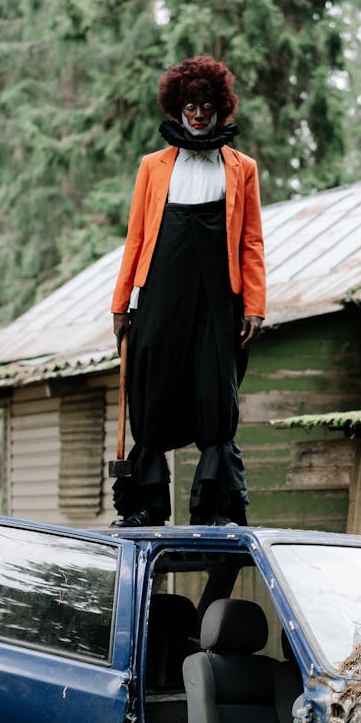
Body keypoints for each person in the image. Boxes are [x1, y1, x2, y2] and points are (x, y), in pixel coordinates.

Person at [110, 55, 265, 527]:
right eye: (190, 105)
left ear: (220, 108)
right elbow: (136, 236)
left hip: (218, 295)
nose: (198, 114)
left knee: (216, 389)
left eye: (206, 105)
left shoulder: (242, 168)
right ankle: (147, 507)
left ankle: (217, 510)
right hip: (161, 289)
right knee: (153, 384)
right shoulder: (153, 166)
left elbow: (251, 241)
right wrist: (120, 303)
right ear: (177, 108)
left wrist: (254, 305)